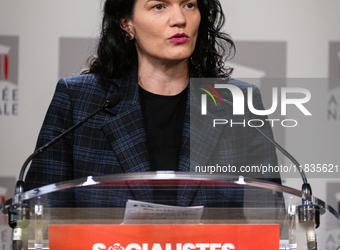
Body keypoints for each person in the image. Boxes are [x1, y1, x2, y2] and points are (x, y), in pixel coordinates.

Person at [25, 0, 280, 208]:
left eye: (189, 5)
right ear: (126, 23)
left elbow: (271, 212)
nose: (180, 19)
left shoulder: (238, 102)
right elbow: (38, 209)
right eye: (159, 6)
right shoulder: (80, 99)